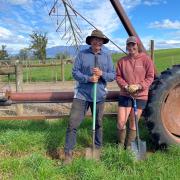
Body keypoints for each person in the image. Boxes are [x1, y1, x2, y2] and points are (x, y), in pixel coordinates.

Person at [64, 29, 115, 164]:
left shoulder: (107, 56)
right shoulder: (82, 54)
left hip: (99, 96)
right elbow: (75, 72)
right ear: (91, 41)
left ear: (102, 42)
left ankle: (97, 149)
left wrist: (102, 73)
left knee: (98, 123)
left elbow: (112, 76)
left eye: (100, 40)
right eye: (95, 39)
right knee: (72, 123)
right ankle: (68, 153)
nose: (97, 42)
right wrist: (88, 78)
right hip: (82, 95)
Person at [116, 36, 154, 149]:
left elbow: (150, 77)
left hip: (140, 95)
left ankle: (129, 147)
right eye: (129, 45)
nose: (131, 47)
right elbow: (118, 77)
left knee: (133, 123)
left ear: (138, 45)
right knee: (121, 122)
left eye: (133, 44)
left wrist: (139, 86)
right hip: (125, 95)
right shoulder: (122, 61)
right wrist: (126, 86)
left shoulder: (146, 60)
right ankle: (120, 145)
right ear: (126, 46)